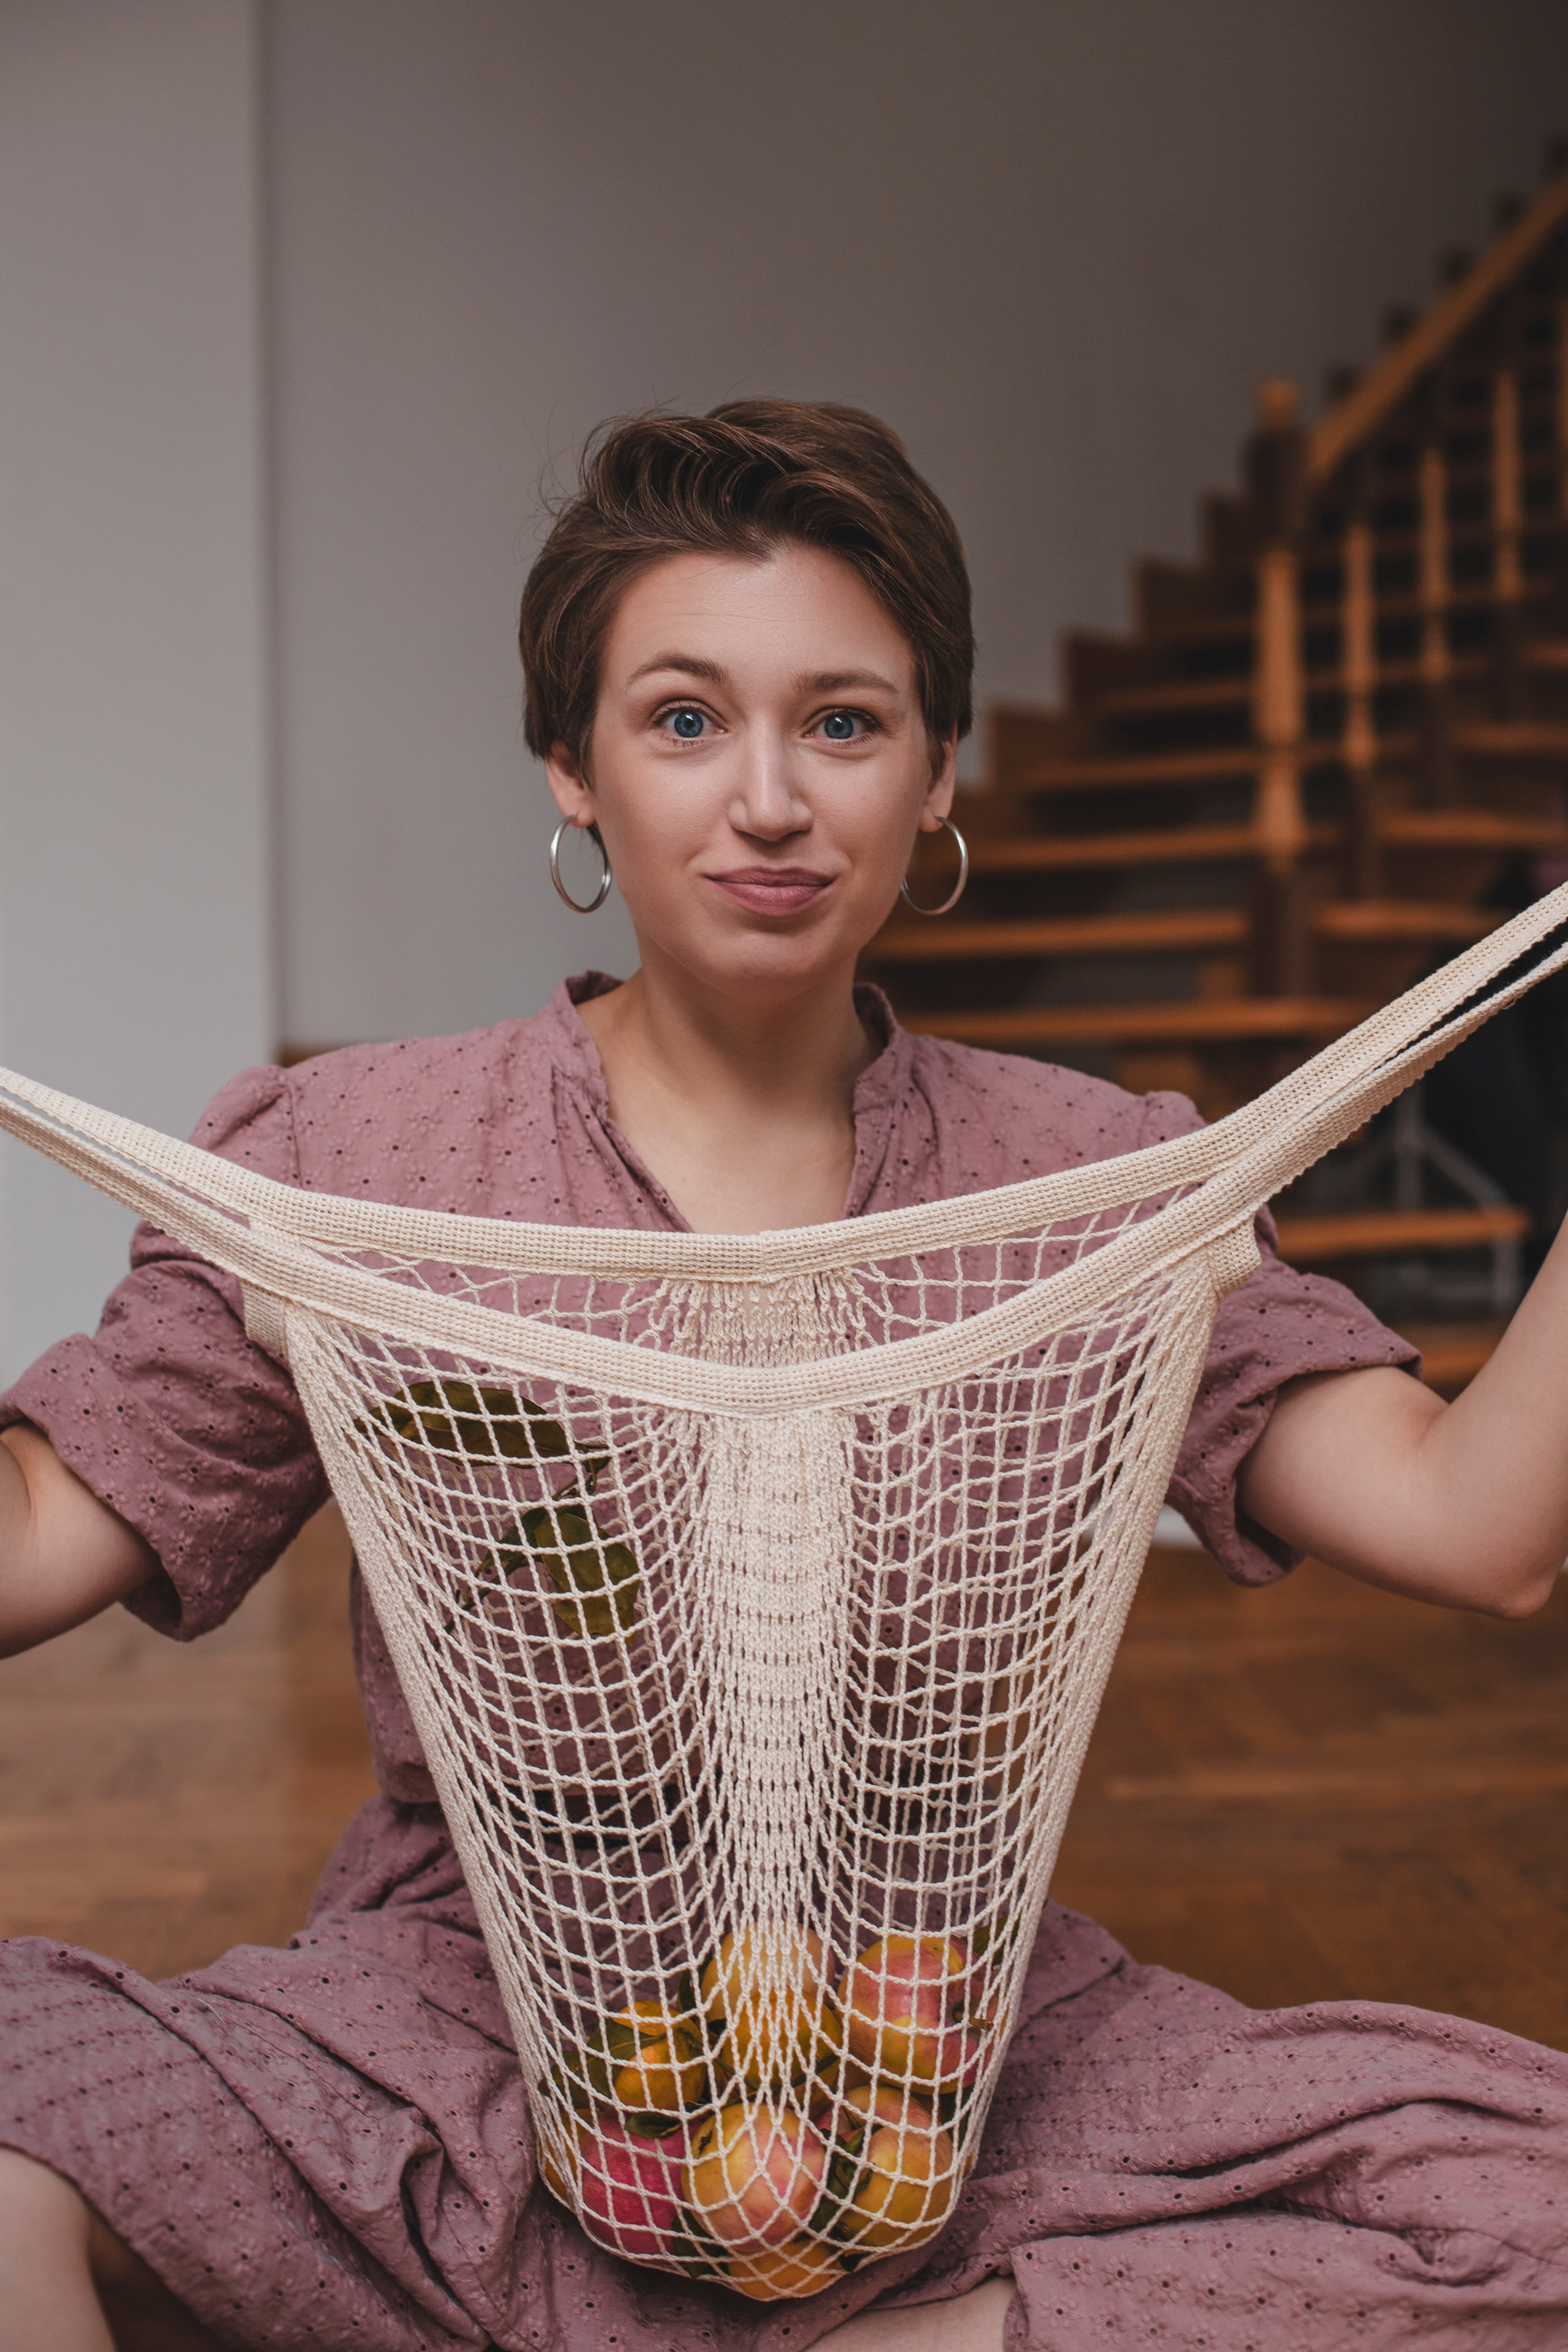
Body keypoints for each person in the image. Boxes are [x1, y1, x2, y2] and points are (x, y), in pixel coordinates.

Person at [0, 401, 1565, 2352]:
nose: (768, 800)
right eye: (681, 720)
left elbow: (1479, 1530)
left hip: (944, 2053)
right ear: (567, 769)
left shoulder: (1092, 1192)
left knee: (1522, 2210)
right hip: (453, 2028)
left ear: (935, 778)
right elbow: (44, 1526)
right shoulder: (354, 1161)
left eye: (843, 722)